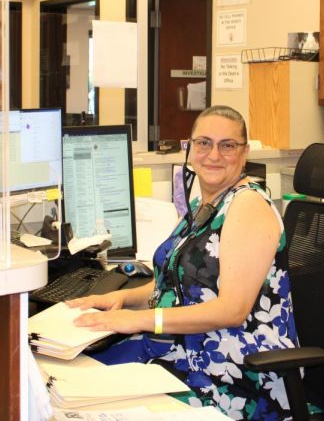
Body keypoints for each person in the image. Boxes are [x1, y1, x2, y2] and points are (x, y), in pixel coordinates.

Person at [68, 105, 298, 419]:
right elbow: (176, 280)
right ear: (189, 150)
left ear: (243, 153)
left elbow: (232, 311)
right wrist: (123, 298)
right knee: (74, 380)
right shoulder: (202, 204)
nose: (214, 155)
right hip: (185, 344)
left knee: (93, 397)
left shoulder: (248, 206)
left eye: (227, 145)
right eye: (204, 143)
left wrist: (139, 320)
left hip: (233, 367)